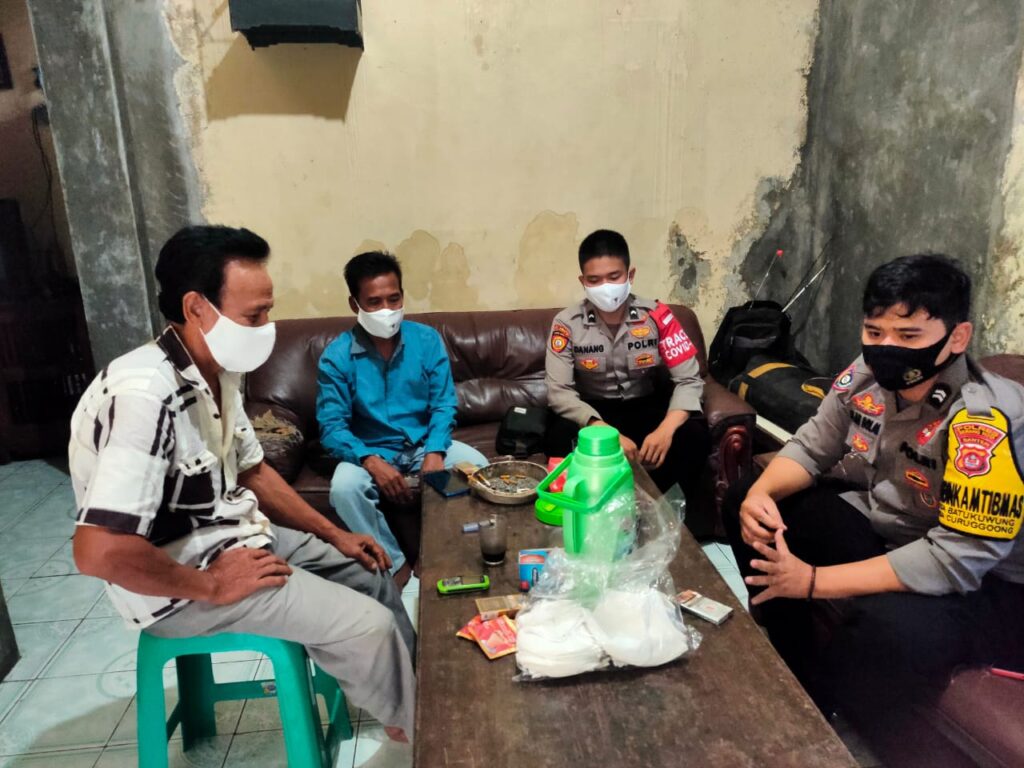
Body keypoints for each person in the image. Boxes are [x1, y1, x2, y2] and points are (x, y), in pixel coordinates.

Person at [69, 226, 416, 742]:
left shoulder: (218, 371)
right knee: (369, 625)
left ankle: (414, 694)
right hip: (178, 585)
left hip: (236, 537)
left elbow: (254, 471)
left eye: (267, 312)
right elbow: (98, 552)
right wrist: (211, 585)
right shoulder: (143, 397)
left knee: (371, 572)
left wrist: (335, 534)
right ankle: (425, 731)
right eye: (254, 316)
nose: (266, 328)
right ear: (197, 308)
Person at [723, 254, 1024, 764]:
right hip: (895, 530)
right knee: (747, 501)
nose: (886, 347)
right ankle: (790, 665)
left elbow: (958, 558)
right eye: (874, 331)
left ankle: (823, 716)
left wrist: (812, 581)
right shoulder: (865, 375)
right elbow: (812, 447)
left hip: (989, 581)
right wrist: (759, 495)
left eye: (908, 335)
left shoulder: (986, 418)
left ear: (957, 336)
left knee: (886, 627)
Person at [317, 251, 487, 585]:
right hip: (369, 448)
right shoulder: (336, 356)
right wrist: (370, 460)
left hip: (423, 443)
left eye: (393, 299)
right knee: (344, 488)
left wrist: (435, 451)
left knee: (478, 470)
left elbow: (443, 404)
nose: (387, 310)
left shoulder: (426, 340)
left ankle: (437, 551)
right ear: (354, 304)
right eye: (374, 302)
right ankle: (393, 563)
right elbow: (332, 427)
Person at [544, 229, 710, 497]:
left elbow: (690, 380)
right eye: (594, 280)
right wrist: (603, 432)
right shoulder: (566, 323)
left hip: (643, 405)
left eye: (614, 277)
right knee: (559, 435)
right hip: (593, 413)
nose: (605, 286)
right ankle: (592, 506)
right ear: (583, 281)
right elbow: (558, 391)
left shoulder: (658, 316)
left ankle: (658, 508)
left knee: (694, 435)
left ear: (630, 275)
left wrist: (666, 430)